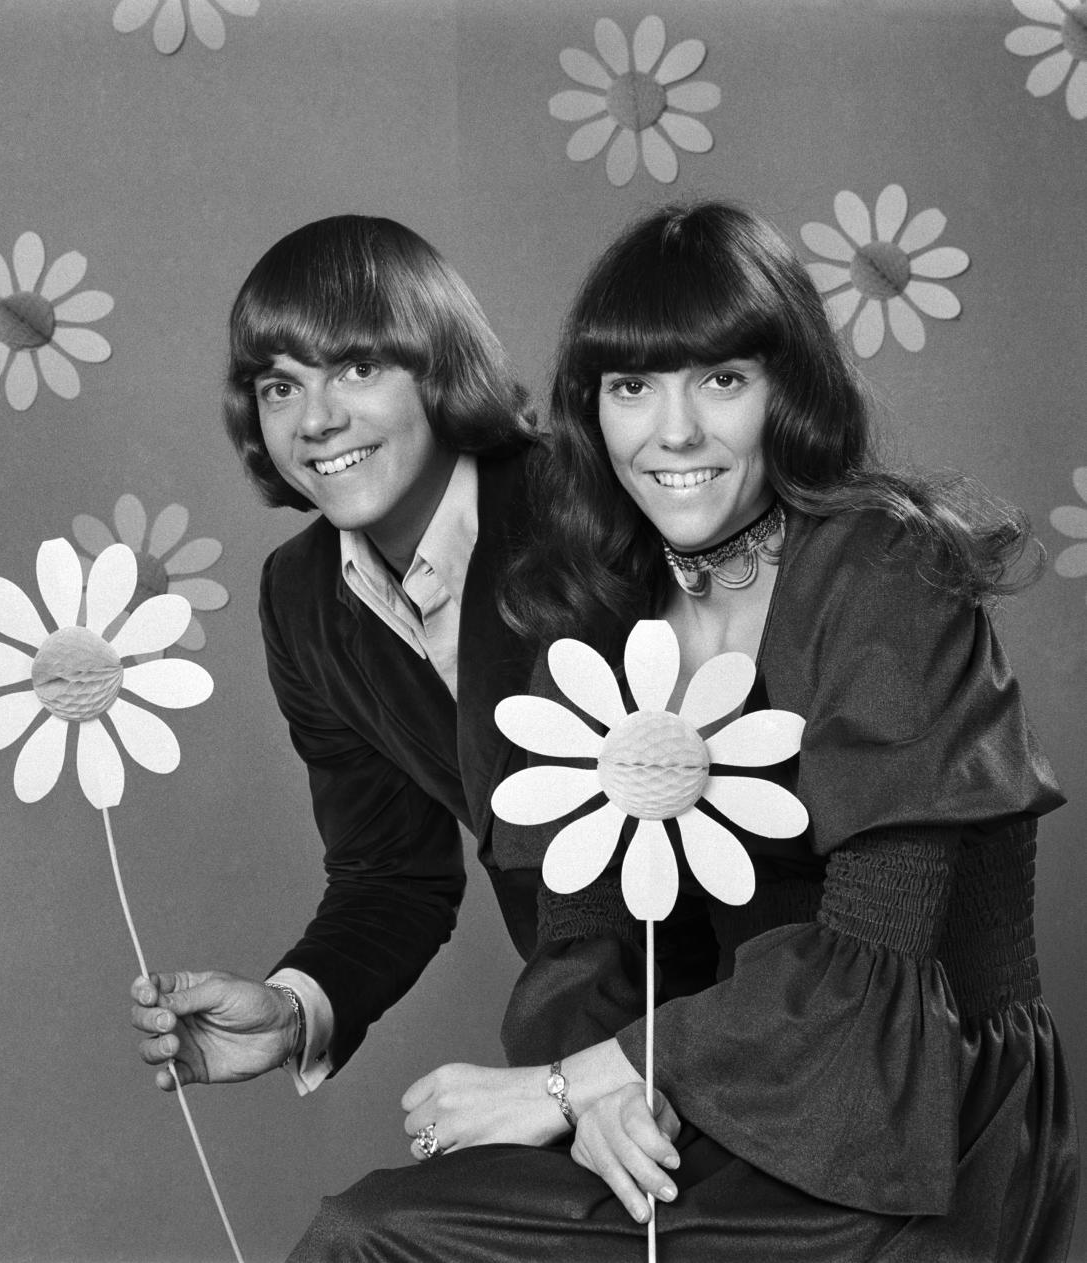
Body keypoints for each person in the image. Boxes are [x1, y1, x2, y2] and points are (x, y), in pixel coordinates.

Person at [285, 202, 1079, 1261]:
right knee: (370, 1232)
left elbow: (872, 961)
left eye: (719, 380)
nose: (673, 434)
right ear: (592, 410)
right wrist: (604, 1097)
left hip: (914, 1116)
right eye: (631, 389)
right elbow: (586, 934)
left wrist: (583, 1079)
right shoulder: (603, 599)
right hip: (702, 1096)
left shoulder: (884, 573)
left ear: (786, 392)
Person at [129, 215, 540, 1094]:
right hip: (578, 1031)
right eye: (279, 387)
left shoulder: (583, 503)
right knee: (372, 1215)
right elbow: (391, 871)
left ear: (439, 365)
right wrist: (291, 1008)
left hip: (783, 1000)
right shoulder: (300, 598)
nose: (315, 419)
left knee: (383, 1223)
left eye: (357, 367)